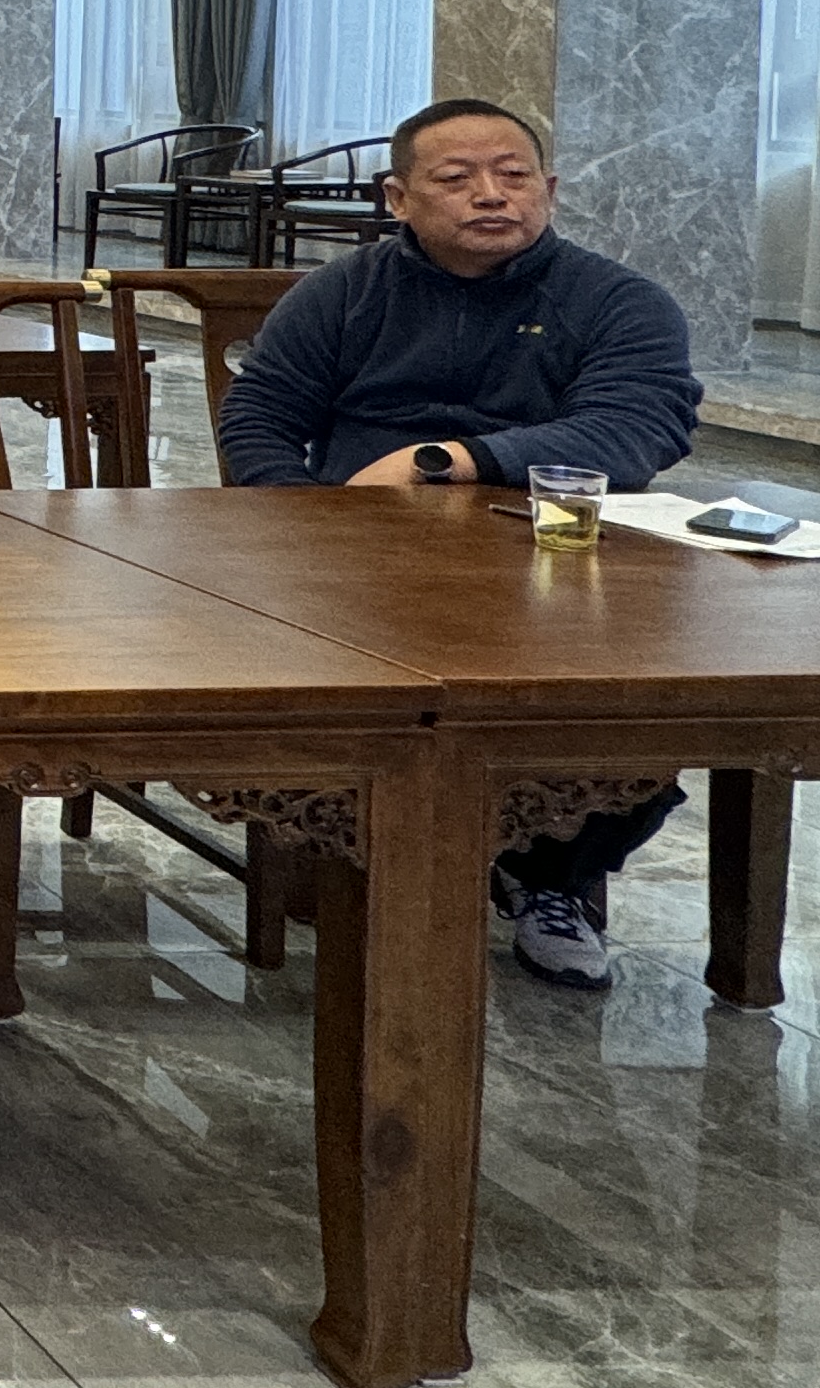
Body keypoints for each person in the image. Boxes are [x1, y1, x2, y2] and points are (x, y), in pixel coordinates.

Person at [218, 96, 705, 990]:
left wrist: (449, 460)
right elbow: (261, 414)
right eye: (457, 178)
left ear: (548, 189)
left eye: (513, 176)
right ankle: (369, 854)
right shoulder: (343, 292)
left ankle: (552, 875)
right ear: (397, 198)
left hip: (552, 563)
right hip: (362, 564)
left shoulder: (619, 301)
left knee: (637, 704)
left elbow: (637, 426)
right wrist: (297, 521)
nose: (491, 195)